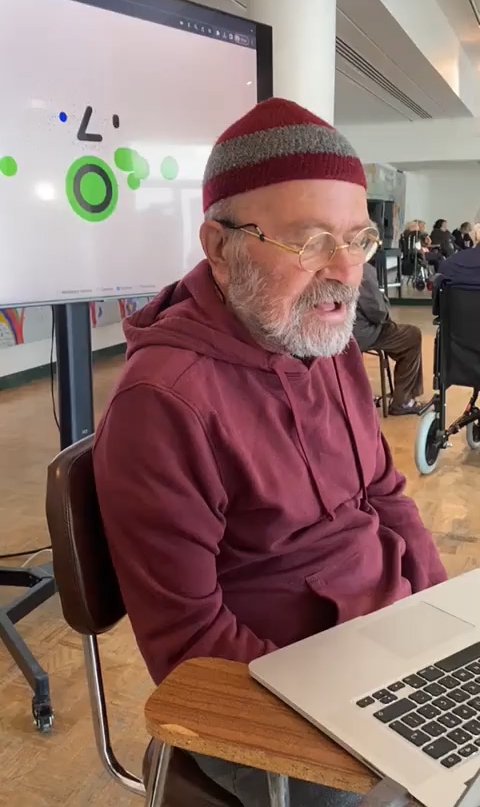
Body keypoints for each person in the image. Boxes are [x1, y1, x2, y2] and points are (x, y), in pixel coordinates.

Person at [93, 98, 446, 807]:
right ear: (220, 248)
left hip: (387, 649)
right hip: (274, 707)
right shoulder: (164, 405)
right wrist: (349, 722)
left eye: (358, 239)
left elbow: (385, 494)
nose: (345, 270)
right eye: (311, 242)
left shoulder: (323, 340)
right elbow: (190, 646)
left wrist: (442, 622)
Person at [354, 263, 425, 414]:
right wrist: (384, 300)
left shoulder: (317, 265)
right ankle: (403, 401)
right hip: (359, 335)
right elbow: (378, 312)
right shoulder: (359, 269)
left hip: (332, 334)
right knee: (412, 335)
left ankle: (359, 395)